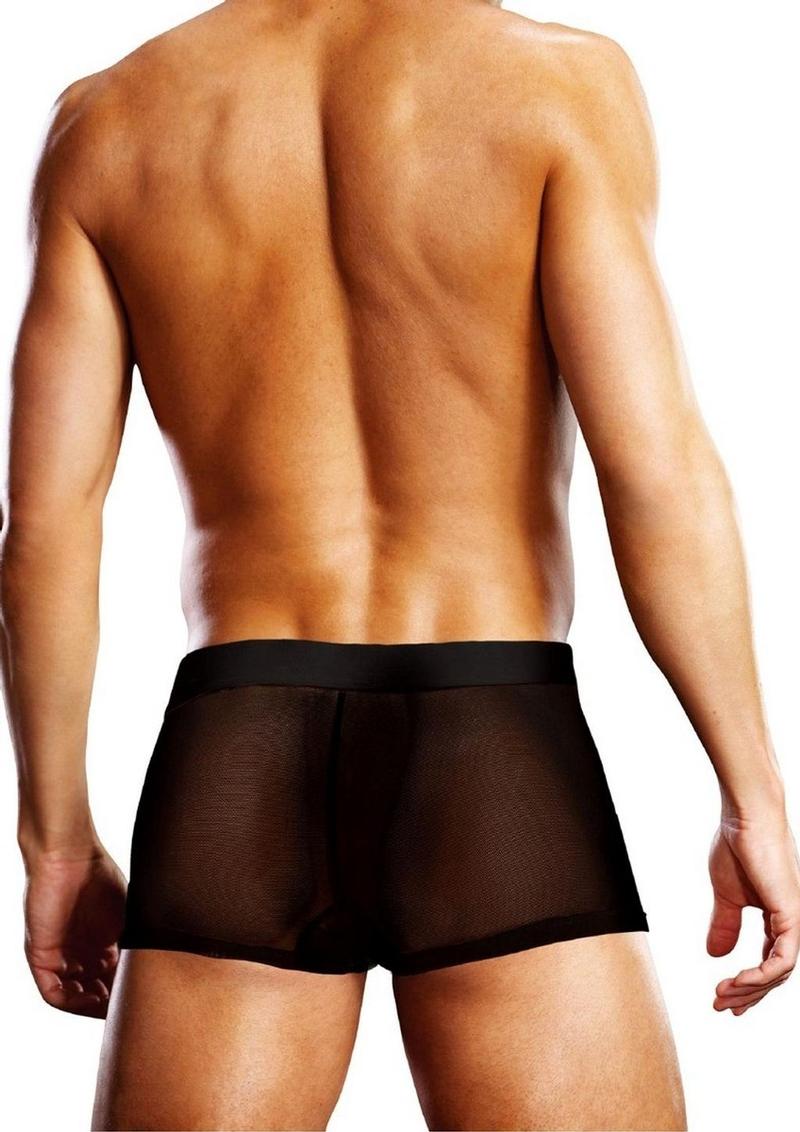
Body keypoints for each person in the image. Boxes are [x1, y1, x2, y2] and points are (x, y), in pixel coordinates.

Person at [2, 1, 798, 1129]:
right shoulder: (555, 84)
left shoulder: (112, 118)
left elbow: (46, 524)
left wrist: (55, 842)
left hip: (239, 749)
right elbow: (654, 468)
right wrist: (751, 792)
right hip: (490, 729)